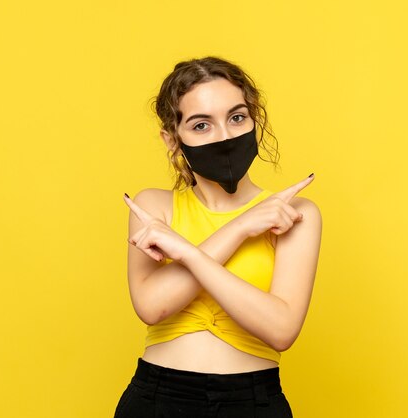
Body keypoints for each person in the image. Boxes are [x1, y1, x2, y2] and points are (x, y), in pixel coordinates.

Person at [114, 56, 322, 418]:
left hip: (253, 403)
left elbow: (281, 330)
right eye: (201, 125)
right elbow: (151, 307)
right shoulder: (155, 207)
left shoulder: (294, 214)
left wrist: (188, 254)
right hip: (157, 399)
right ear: (173, 139)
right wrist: (241, 227)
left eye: (236, 118)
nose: (224, 136)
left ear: (254, 119)